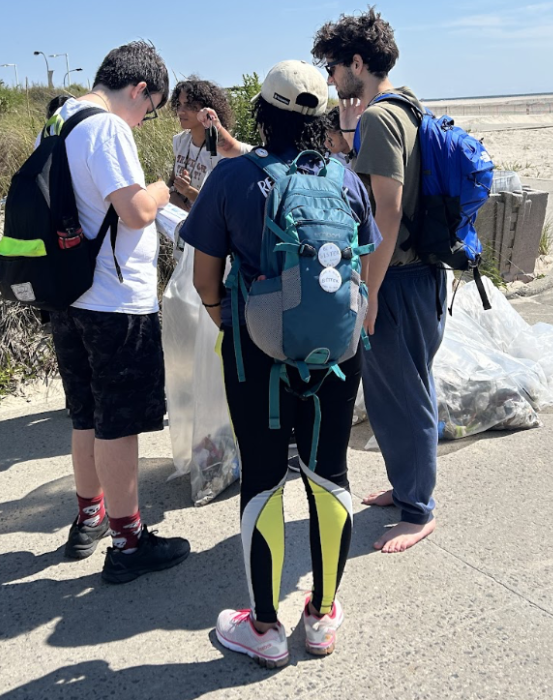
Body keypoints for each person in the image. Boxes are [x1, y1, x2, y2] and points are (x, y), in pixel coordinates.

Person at [180, 60, 380, 665]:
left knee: (264, 481)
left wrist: (238, 325)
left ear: (262, 112)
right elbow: (364, 268)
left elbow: (204, 279)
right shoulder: (346, 180)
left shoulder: (233, 176)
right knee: (330, 476)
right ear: (322, 118)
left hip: (255, 356)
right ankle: (319, 618)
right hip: (337, 357)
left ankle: (263, 629)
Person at [50, 41, 191, 583]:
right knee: (119, 424)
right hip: (114, 300)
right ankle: (128, 541)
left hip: (71, 295)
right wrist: (159, 188)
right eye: (149, 108)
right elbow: (134, 213)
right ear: (139, 91)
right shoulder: (107, 127)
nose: (145, 118)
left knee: (85, 413)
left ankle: (89, 517)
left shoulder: (62, 118)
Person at [313, 7, 445, 554]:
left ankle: (419, 510)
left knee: (406, 392)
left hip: (400, 278)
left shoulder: (382, 119)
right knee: (394, 390)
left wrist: (368, 288)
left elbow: (384, 212)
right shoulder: (405, 108)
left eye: (333, 67)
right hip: (418, 274)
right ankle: (406, 486)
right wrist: (347, 134)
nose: (329, 78)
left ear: (357, 63)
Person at [167, 79, 249, 211]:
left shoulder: (223, 153)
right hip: (177, 220)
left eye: (189, 105)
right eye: (179, 104)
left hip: (204, 224)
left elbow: (223, 205)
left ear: (207, 109)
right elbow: (171, 181)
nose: (181, 111)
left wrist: (189, 192)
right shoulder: (180, 141)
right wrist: (173, 193)